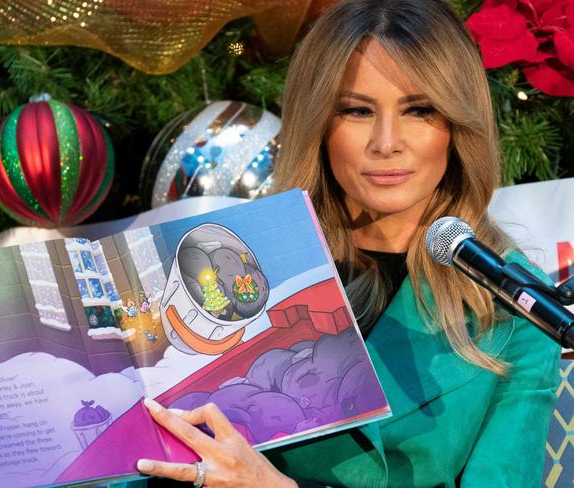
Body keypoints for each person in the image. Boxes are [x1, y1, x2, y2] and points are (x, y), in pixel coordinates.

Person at [135, 0, 562, 486]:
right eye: (357, 111)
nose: (386, 142)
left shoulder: (512, 301)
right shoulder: (240, 260)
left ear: (457, 127)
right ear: (318, 124)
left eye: (419, 110)